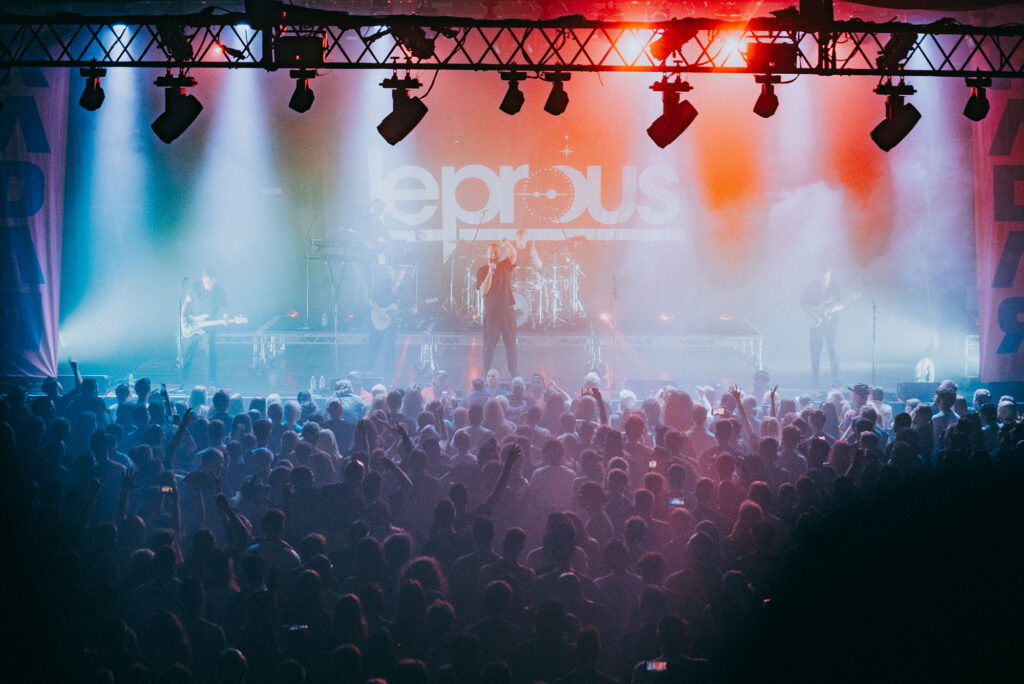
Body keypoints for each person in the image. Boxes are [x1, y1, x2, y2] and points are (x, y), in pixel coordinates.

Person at [366, 264, 416, 380]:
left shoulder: (405, 290)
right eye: (395, 271)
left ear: (404, 274)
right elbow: (371, 299)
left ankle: (388, 374)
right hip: (378, 319)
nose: (397, 274)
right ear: (391, 272)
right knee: (374, 344)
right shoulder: (383, 285)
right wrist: (380, 312)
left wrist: (413, 311)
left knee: (390, 348)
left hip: (392, 323)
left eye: (400, 272)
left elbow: (407, 307)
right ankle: (368, 369)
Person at [477, 240, 518, 377]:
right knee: (489, 345)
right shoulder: (482, 270)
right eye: (491, 251)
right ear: (487, 253)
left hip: (507, 310)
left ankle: (514, 374)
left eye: (496, 251)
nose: (494, 253)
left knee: (511, 344)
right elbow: (483, 290)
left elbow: (514, 254)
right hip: (492, 311)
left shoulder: (505, 265)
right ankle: (486, 374)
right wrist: (490, 272)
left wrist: (507, 244)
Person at [181, 269, 229, 386]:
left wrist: (226, 318)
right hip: (193, 324)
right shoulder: (194, 287)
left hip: (209, 326)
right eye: (208, 282)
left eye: (213, 282)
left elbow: (225, 307)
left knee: (210, 352)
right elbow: (187, 302)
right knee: (188, 352)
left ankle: (212, 380)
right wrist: (183, 318)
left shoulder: (219, 291)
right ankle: (183, 378)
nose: (211, 284)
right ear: (203, 279)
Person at [800, 270, 842, 388]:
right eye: (821, 274)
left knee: (833, 351)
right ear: (818, 275)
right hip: (816, 324)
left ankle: (835, 379)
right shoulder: (811, 286)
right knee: (815, 351)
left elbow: (840, 304)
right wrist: (812, 313)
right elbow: (803, 302)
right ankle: (815, 377)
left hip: (831, 324)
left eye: (826, 274)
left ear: (830, 274)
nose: (823, 277)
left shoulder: (835, 287)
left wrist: (833, 309)